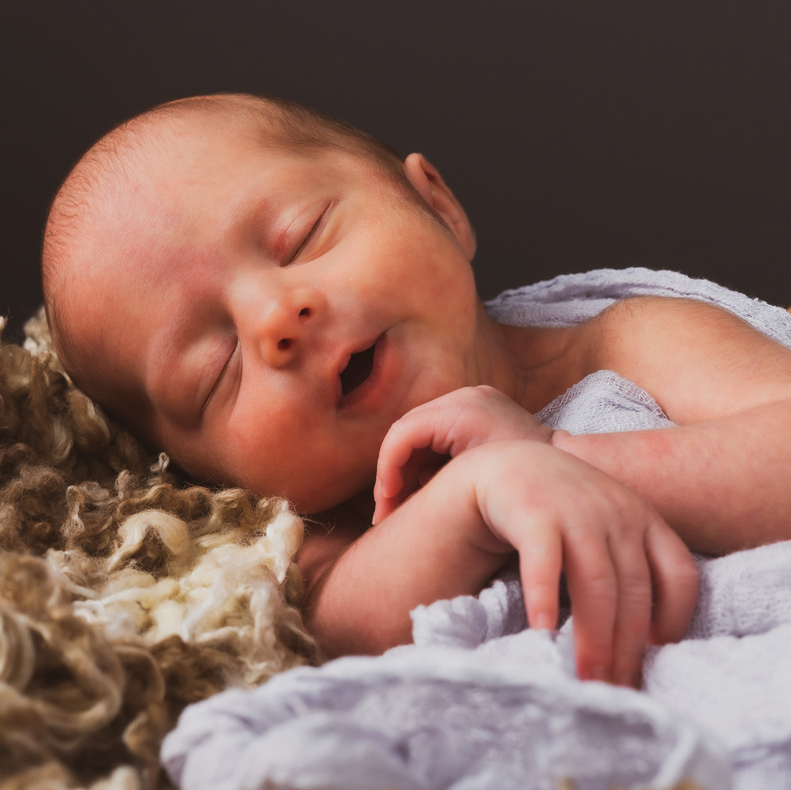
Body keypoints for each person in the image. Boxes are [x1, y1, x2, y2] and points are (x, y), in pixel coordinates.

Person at [39, 92, 791, 687]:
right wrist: (473, 499)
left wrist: (564, 457)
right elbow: (330, 636)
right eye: (216, 367)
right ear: (206, 470)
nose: (276, 319)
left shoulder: (627, 343)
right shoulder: (310, 539)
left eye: (301, 236)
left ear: (438, 205)